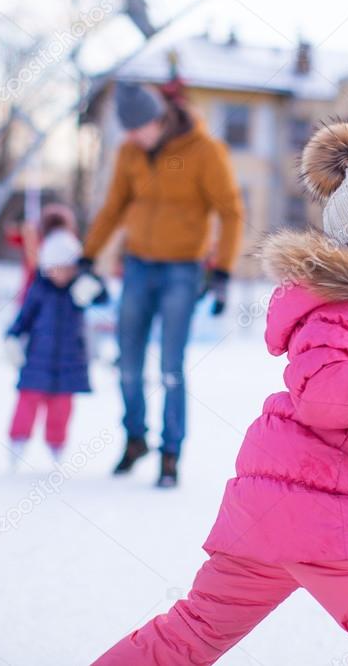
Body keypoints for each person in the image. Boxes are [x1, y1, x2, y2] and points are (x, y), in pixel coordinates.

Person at [93, 122, 348, 665]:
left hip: (271, 509)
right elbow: (323, 390)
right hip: (326, 505)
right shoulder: (337, 308)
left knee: (196, 629)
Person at [78, 82, 244, 488]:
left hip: (182, 271)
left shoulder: (205, 151)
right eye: (128, 131)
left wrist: (221, 271)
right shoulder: (130, 152)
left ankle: (171, 454)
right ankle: (136, 439)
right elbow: (114, 207)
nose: (133, 137)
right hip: (137, 265)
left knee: (171, 366)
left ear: (160, 119)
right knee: (128, 365)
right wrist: (88, 256)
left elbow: (231, 212)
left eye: (139, 129)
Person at [4, 210, 92, 467]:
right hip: (37, 360)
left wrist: (93, 288)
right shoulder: (39, 290)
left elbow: (102, 297)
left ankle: (57, 446)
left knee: (61, 409)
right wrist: (12, 336)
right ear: (47, 267)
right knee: (27, 403)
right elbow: (24, 317)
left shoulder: (79, 290)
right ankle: (17, 441)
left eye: (68, 268)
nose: (63, 274)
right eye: (57, 268)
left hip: (69, 362)